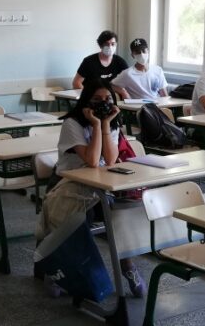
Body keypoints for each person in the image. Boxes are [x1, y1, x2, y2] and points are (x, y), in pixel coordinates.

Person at [37, 80, 146, 298]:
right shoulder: (72, 124)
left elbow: (110, 160)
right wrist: (96, 125)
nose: (103, 104)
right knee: (78, 219)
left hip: (99, 184)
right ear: (86, 102)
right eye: (97, 100)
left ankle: (128, 267)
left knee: (118, 217)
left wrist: (105, 124)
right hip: (67, 184)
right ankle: (59, 270)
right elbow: (93, 160)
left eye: (108, 99)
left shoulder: (111, 123)